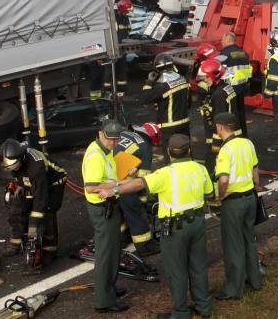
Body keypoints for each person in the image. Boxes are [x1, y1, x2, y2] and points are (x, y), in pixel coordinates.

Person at [97, 134, 213, 319]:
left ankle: (181, 313)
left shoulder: (166, 173)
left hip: (176, 228)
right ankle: (203, 307)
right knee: (198, 266)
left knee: (177, 270)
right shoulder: (200, 168)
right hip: (197, 224)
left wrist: (115, 189)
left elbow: (139, 183)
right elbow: (209, 193)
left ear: (169, 152)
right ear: (188, 150)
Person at [213, 112, 263, 300]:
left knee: (233, 245)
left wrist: (220, 195)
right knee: (249, 239)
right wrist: (255, 188)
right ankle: (255, 279)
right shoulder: (247, 143)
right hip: (250, 197)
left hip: (233, 203)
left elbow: (224, 179)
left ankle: (234, 288)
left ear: (220, 127)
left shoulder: (225, 151)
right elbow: (255, 171)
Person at [82, 120, 130, 313]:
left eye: (116, 139)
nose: (113, 143)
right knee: (106, 255)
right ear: (100, 133)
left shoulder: (104, 149)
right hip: (102, 209)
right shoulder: (95, 156)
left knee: (113, 250)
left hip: (108, 207)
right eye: (110, 139)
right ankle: (104, 301)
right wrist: (119, 183)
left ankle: (109, 288)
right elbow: (91, 187)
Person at [0, 139, 67, 268]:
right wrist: (18, 186)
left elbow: (41, 198)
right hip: (30, 181)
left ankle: (49, 251)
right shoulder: (11, 158)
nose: (11, 168)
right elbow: (19, 173)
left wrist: (33, 227)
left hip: (51, 184)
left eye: (13, 165)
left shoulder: (36, 167)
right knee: (16, 209)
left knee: (46, 213)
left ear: (21, 158)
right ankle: (16, 243)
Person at [114, 122, 162, 257]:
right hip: (122, 181)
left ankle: (122, 238)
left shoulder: (126, 134)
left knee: (118, 209)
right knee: (135, 210)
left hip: (107, 178)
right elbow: (143, 180)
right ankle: (145, 245)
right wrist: (144, 201)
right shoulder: (144, 147)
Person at [140, 53, 191, 141]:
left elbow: (145, 99)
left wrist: (149, 82)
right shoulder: (183, 79)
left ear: (157, 68)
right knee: (185, 149)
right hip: (185, 124)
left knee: (170, 152)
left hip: (169, 128)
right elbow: (188, 103)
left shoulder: (162, 87)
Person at [196, 58, 239, 162]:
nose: (204, 81)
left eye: (206, 77)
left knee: (215, 161)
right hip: (233, 129)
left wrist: (215, 143)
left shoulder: (218, 95)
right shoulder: (226, 86)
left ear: (214, 77)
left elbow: (220, 121)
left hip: (223, 135)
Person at [219, 32, 252, 134]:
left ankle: (234, 136)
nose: (221, 42)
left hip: (229, 90)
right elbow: (248, 72)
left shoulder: (223, 55)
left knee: (231, 116)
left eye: (222, 40)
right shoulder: (244, 53)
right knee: (241, 113)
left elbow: (219, 73)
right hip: (241, 88)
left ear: (228, 40)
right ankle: (243, 134)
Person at [104, 0, 133, 93]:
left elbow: (128, 30)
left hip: (122, 48)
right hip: (112, 48)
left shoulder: (125, 18)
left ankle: (122, 89)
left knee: (122, 69)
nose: (126, 13)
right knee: (109, 70)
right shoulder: (113, 18)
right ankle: (108, 90)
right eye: (125, 11)